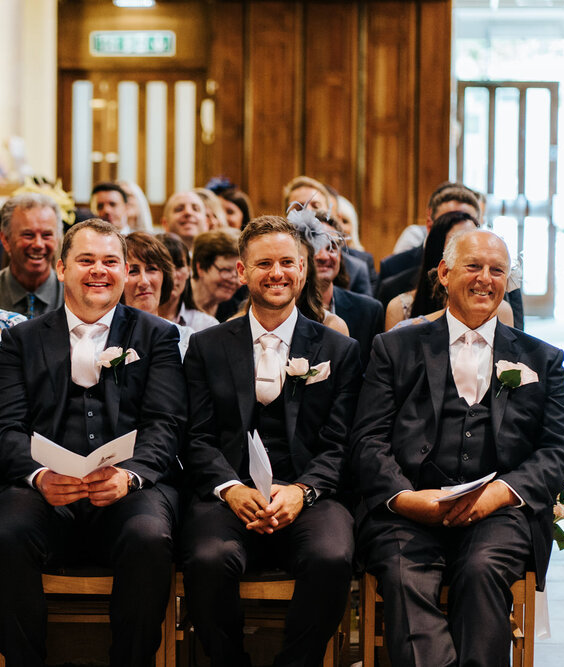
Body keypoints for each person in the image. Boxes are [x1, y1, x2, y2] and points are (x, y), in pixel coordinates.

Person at [352, 229, 564, 667]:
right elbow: (367, 439)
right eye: (473, 266)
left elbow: (558, 452)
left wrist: (497, 494)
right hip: (410, 510)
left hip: (497, 515)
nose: (485, 279)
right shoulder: (394, 347)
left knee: (481, 570)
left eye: (497, 270)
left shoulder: (541, 359)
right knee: (404, 573)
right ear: (444, 273)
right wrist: (406, 498)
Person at [0, 218, 186, 667]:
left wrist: (130, 478)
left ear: (125, 270)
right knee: (4, 536)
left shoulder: (156, 336)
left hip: (130, 490)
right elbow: (3, 427)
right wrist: (38, 477)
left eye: (111, 261)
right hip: (44, 492)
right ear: (61, 268)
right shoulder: (21, 339)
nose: (100, 271)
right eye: (86, 260)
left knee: (149, 537)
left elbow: (166, 423)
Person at [181, 215, 361, 667]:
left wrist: (302, 491)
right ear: (243, 273)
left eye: (288, 262)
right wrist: (231, 488)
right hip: (229, 496)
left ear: (304, 270)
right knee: (206, 559)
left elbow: (341, 443)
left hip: (310, 495)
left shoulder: (339, 351)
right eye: (264, 263)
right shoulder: (207, 347)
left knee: (332, 556)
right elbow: (196, 437)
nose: (276, 273)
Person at [295, 212, 384, 369]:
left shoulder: (369, 311)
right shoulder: (284, 310)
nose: (324, 256)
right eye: (315, 248)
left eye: (331, 248)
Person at [283, 178, 372, 296]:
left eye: (315, 206)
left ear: (330, 212)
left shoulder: (356, 269)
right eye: (299, 207)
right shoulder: (278, 267)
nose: (308, 211)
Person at [0, 193, 64, 319]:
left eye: (46, 235)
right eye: (28, 235)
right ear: (5, 239)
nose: (38, 244)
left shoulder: (72, 296)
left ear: (57, 239)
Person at [122, 231, 192, 358]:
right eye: (133, 271)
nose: (144, 281)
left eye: (152, 269)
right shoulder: (104, 336)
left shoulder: (185, 338)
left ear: (164, 277)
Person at [157, 233, 219, 332]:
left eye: (179, 266)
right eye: (165, 267)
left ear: (189, 270)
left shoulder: (207, 326)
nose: (172, 276)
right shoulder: (135, 321)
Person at [190, 230, 241, 321]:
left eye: (239, 272)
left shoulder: (236, 313)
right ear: (201, 267)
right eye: (226, 270)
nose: (234, 280)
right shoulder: (175, 302)